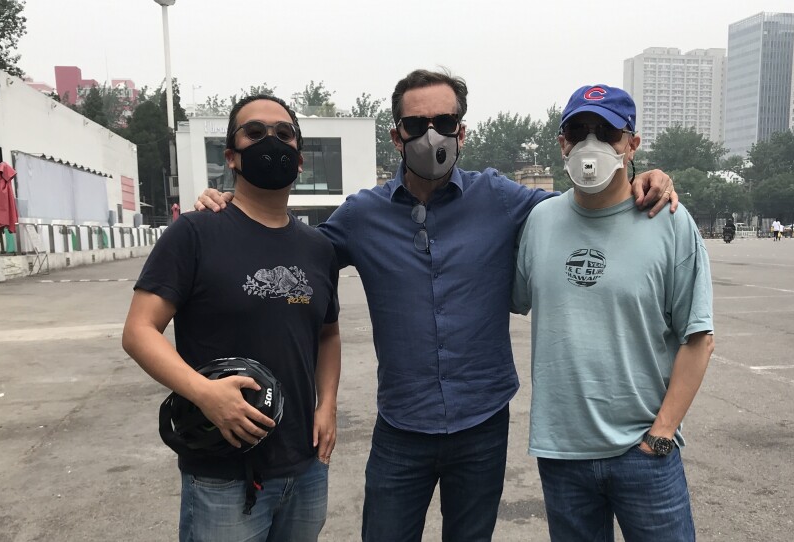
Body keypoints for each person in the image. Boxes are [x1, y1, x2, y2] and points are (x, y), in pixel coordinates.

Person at [196, 69, 678, 542]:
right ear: (396, 134)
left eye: (445, 123)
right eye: (416, 125)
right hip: (401, 426)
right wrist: (234, 208)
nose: (432, 135)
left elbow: (583, 205)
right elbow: (295, 252)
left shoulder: (501, 200)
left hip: (481, 425)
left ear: (462, 131)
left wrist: (646, 177)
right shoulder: (363, 215)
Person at [123, 95, 341, 542]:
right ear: (232, 156)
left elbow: (329, 335)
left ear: (299, 160)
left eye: (283, 134)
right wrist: (204, 393)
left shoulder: (318, 248)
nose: (270, 142)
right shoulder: (196, 233)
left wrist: (328, 405)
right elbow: (138, 331)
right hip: (223, 472)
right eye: (255, 133)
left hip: (305, 466)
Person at [512, 84, 714, 542]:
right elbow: (516, 297)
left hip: (643, 454)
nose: (591, 144)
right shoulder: (540, 222)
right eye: (578, 130)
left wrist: (660, 436)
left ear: (631, 144)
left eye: (606, 132)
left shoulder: (669, 221)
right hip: (562, 455)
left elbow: (698, 338)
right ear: (561, 143)